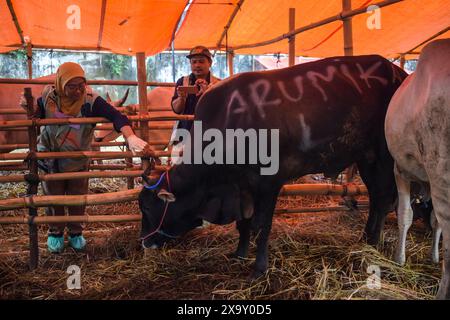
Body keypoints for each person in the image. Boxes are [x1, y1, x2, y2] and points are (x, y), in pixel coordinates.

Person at [20, 62, 148, 253]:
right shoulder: (49, 96)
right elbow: (37, 114)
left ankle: (75, 233)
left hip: (77, 160)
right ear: (61, 84)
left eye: (82, 85)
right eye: (73, 86)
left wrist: (130, 136)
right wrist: (27, 106)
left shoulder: (91, 100)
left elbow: (117, 117)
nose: (79, 90)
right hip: (50, 158)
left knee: (77, 199)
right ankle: (55, 233)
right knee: (53, 199)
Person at [170, 46, 221, 143]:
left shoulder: (217, 84)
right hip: (185, 132)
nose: (197, 65)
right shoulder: (182, 82)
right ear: (190, 64)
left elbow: (221, 110)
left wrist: (208, 94)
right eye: (194, 62)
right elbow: (176, 110)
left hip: (210, 133)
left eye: (201, 61)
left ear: (210, 63)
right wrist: (181, 98)